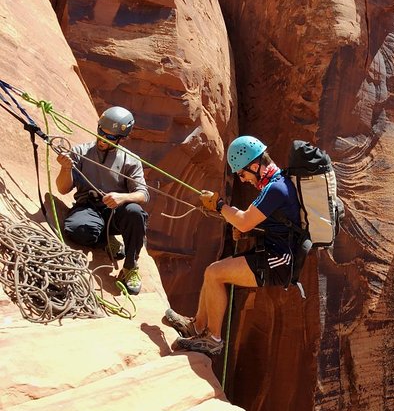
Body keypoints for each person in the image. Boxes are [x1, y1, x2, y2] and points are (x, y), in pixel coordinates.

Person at [165, 135, 301, 355]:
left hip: (279, 260)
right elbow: (266, 222)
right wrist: (245, 228)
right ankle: (197, 326)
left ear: (256, 165)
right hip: (273, 253)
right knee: (216, 271)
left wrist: (219, 205)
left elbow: (245, 221)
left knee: (215, 273)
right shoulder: (276, 183)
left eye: (242, 173)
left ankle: (213, 340)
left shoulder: (275, 188)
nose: (242, 178)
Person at [55, 106, 149, 295]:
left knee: (135, 213)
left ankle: (130, 267)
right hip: (88, 207)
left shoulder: (130, 160)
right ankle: (106, 241)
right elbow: (62, 188)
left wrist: (122, 197)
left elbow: (143, 194)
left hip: (115, 212)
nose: (103, 139)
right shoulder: (81, 151)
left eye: (111, 137)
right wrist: (65, 169)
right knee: (77, 230)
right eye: (101, 132)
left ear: (122, 138)